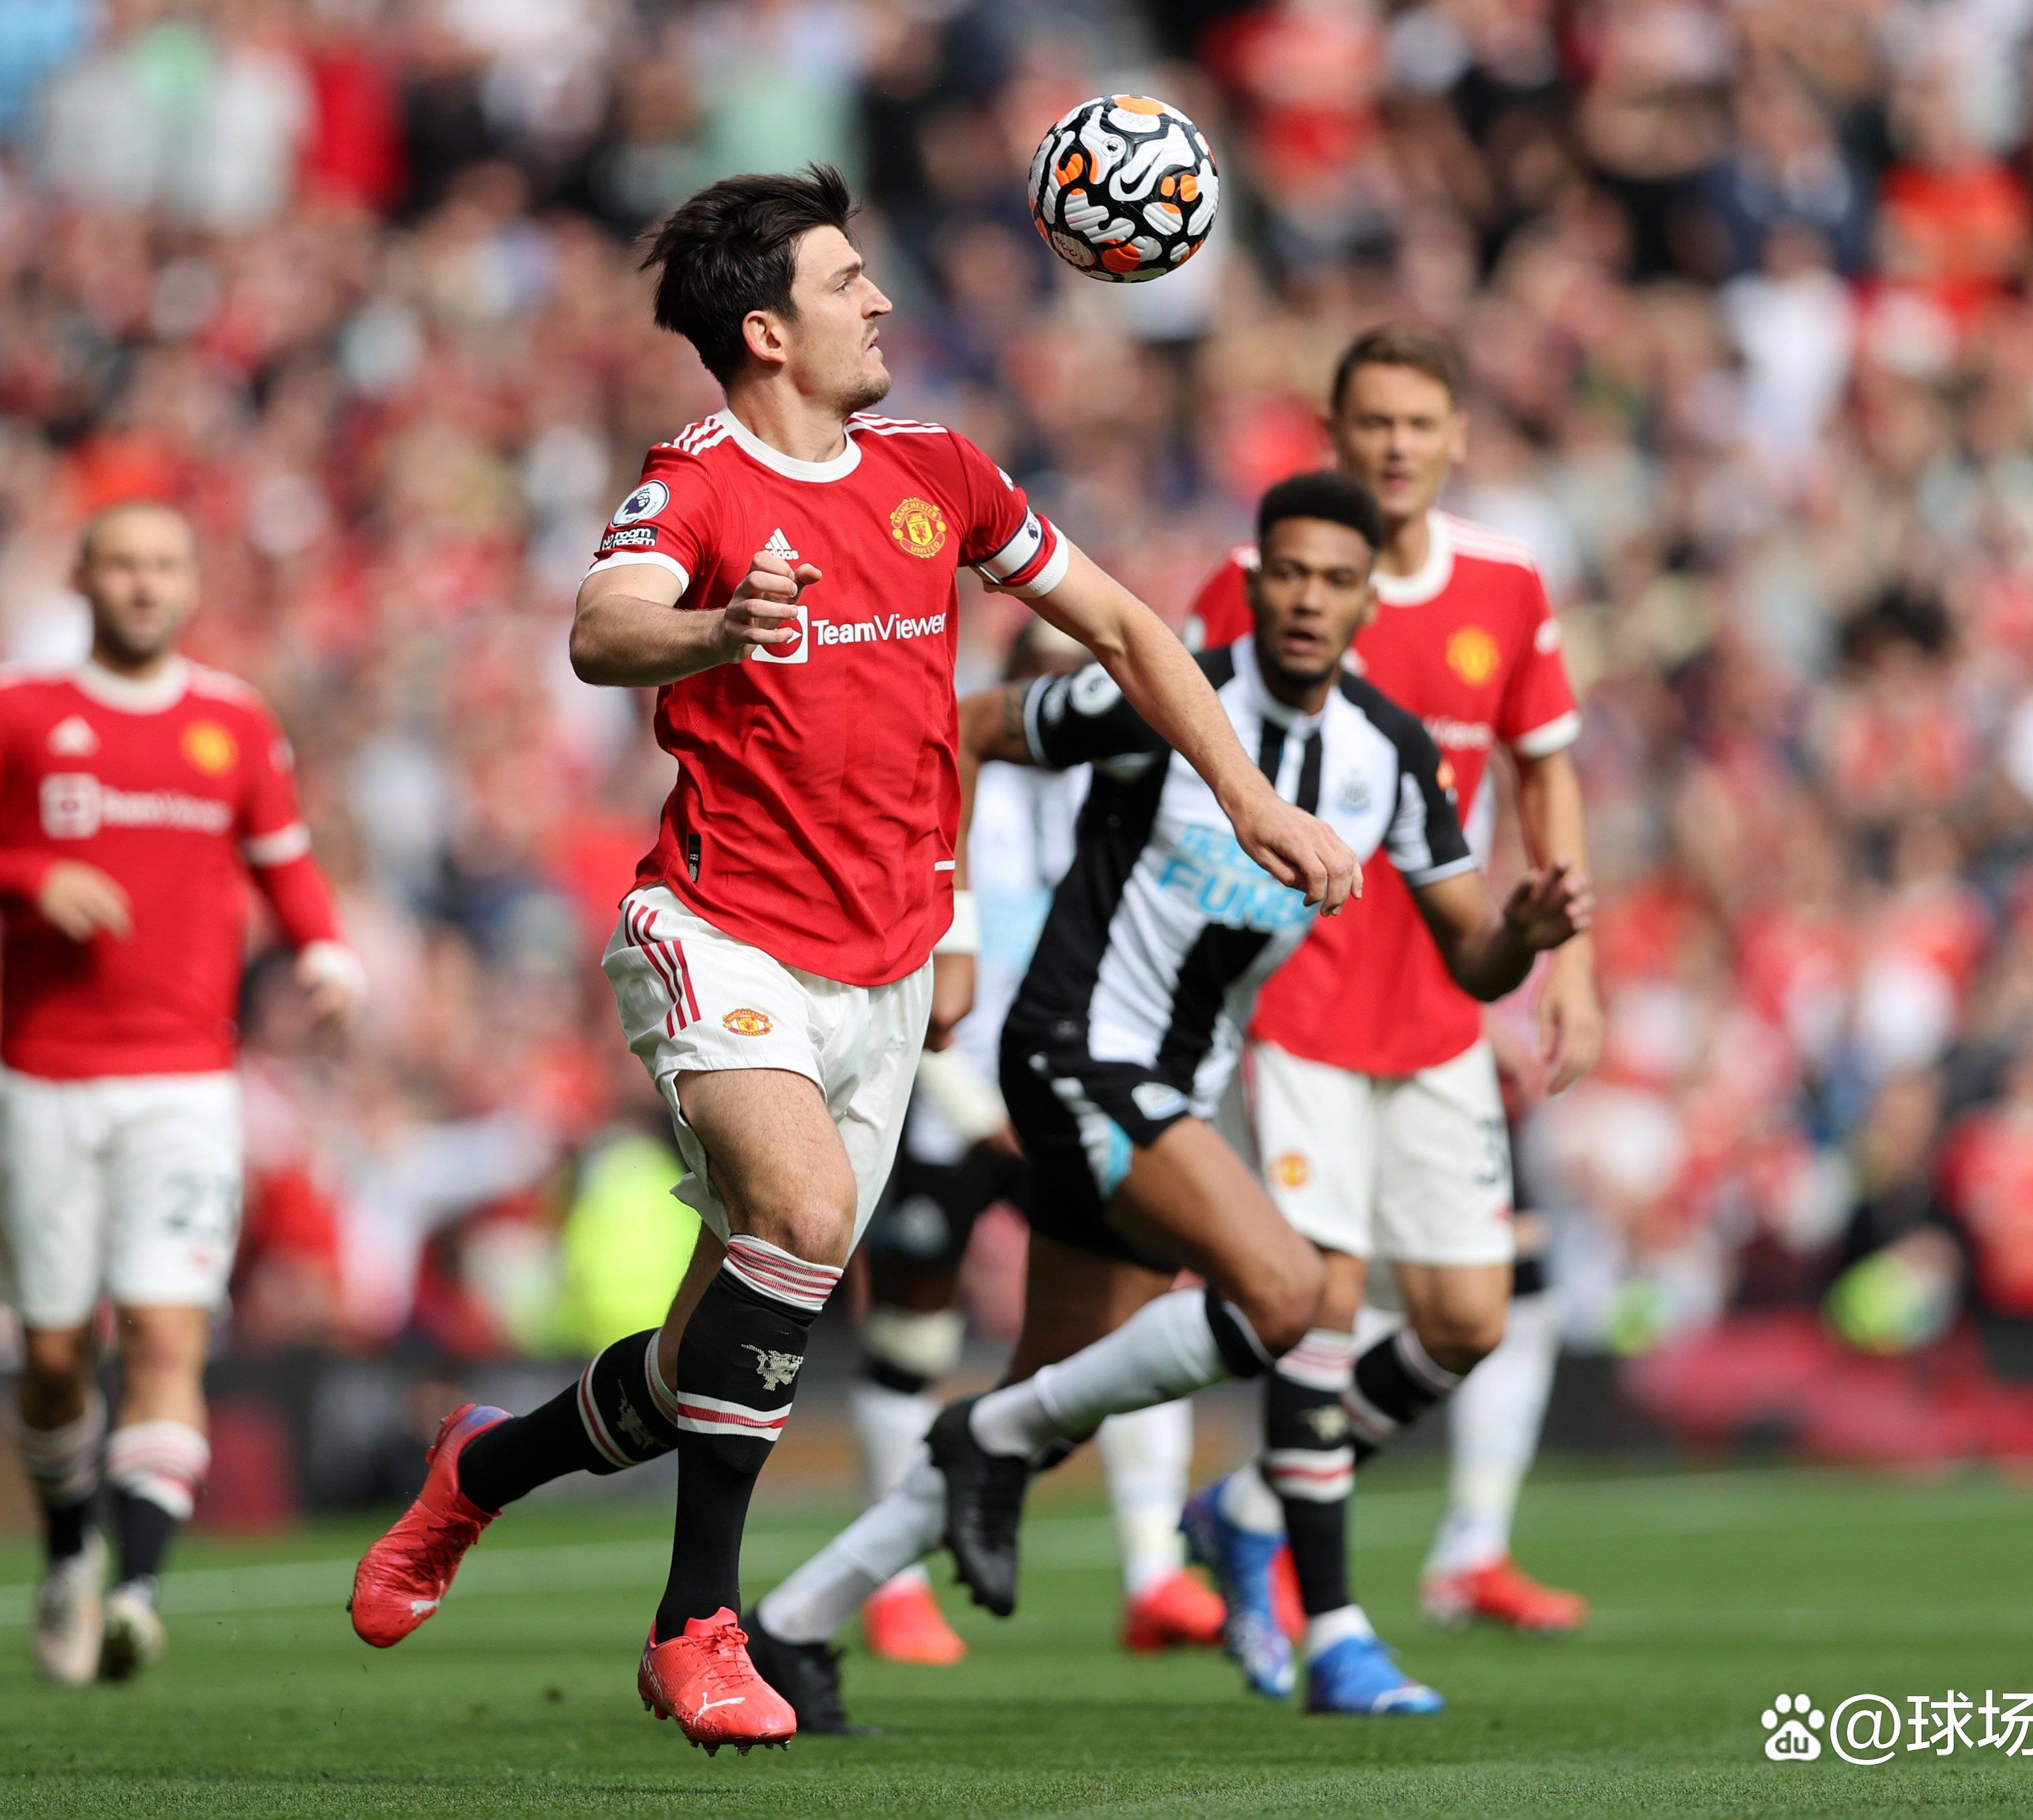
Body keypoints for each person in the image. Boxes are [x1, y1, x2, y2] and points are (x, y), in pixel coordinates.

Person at [342, 165, 1357, 1755]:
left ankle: (479, 1471)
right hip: (716, 925)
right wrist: (717, 631)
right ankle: (698, 1627)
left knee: (698, 1369)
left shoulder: (937, 472)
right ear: (764, 329)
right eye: (844, 281)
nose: (879, 300)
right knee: (807, 1222)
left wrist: (1246, 800)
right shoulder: (690, 482)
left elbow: (1128, 629)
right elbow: (602, 630)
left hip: (880, 970)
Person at [745, 471, 1590, 1728]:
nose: (1307, 598)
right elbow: (974, 726)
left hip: (1175, 1084)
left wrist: (1522, 939)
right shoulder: (1168, 697)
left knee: (1049, 1400)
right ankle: (1026, 1467)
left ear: (1368, 602)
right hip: (1076, 1049)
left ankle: (795, 1622)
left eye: (1335, 580)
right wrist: (957, 925)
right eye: (1288, 573)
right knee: (1293, 1292)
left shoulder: (1389, 757)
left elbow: (1471, 954)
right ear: (1253, 582)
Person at [1182, 329, 1602, 1686]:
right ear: (1333, 430)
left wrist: (1571, 967)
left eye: (1421, 422)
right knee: (1324, 1300)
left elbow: (1543, 777)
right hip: (1296, 989)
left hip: (1438, 994)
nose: (1397, 447)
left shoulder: (1504, 585)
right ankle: (1334, 1624)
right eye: (1372, 422)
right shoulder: (1260, 587)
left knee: (1470, 1318)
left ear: (1456, 433)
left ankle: (1245, 1511)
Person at [0, 501, 365, 1685]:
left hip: (185, 1082)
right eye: (123, 563)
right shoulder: (16, 707)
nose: (145, 584)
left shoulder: (233, 721)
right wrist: (30, 876)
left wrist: (324, 949)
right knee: (55, 1349)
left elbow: (285, 856)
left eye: (165, 563)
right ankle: (68, 1553)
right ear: (83, 576)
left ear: (193, 582)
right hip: (43, 1079)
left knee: (165, 1328)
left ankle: (141, 1592)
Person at [848, 620, 1225, 1669]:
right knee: (911, 1336)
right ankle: (895, 1588)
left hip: (1070, 1091)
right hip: (955, 1104)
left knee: (1135, 1318)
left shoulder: (1127, 806)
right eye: (1049, 692)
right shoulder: (949, 794)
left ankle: (1153, 1573)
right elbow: (903, 962)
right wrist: (975, 1106)